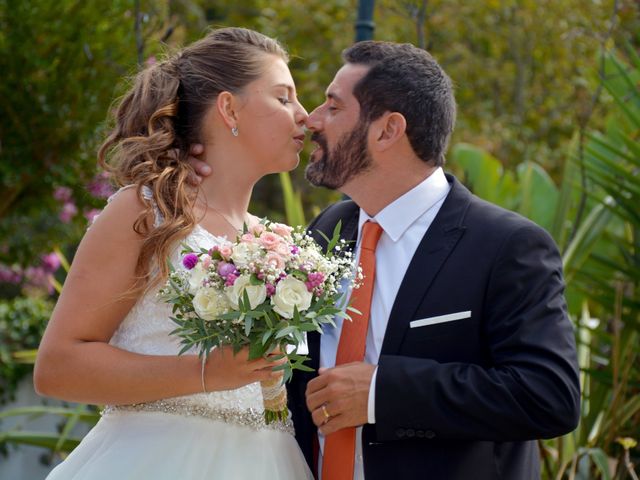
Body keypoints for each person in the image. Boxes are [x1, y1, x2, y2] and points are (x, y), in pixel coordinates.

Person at [191, 40, 581, 479]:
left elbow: (550, 396)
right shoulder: (325, 231)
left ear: (388, 130)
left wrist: (381, 393)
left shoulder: (507, 246)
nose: (312, 119)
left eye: (334, 107)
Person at [33, 27, 313, 480]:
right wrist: (207, 372)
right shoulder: (146, 213)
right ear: (229, 108)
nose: (305, 116)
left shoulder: (276, 244)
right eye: (284, 98)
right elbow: (58, 367)